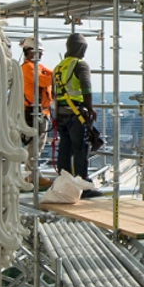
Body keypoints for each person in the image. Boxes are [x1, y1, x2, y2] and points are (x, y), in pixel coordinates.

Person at [50, 34, 95, 179]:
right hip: (76, 113)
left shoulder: (58, 67)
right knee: (80, 148)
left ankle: (64, 182)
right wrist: (90, 108)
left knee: (64, 148)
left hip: (60, 113)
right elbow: (86, 88)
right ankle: (82, 184)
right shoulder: (80, 65)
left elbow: (53, 93)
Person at [20, 40, 48, 164]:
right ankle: (32, 173)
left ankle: (32, 172)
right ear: (29, 51)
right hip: (33, 110)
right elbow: (43, 81)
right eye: (39, 52)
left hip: (41, 111)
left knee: (39, 143)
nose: (41, 55)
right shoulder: (28, 68)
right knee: (34, 143)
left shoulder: (38, 67)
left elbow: (51, 75)